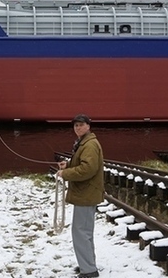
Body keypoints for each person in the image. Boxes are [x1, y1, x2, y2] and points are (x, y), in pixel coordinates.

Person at [57, 114, 104, 278]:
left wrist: (66, 173)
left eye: (81, 125)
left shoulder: (89, 145)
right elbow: (84, 164)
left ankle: (89, 270)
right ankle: (88, 264)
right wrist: (68, 164)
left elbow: (88, 169)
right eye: (76, 125)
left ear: (88, 126)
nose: (78, 128)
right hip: (86, 193)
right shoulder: (85, 142)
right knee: (85, 232)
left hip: (86, 194)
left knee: (81, 233)